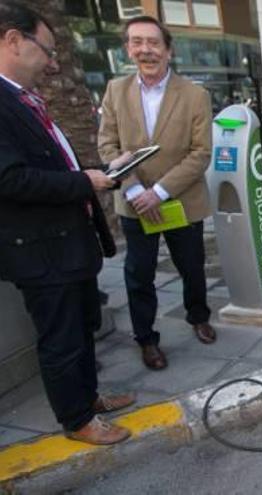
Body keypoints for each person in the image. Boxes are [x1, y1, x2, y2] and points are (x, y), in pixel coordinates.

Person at [0, 1, 134, 444]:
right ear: (13, 40)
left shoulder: (23, 98)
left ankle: (88, 397)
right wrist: (85, 182)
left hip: (66, 244)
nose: (53, 62)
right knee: (61, 337)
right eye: (46, 49)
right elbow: (12, 179)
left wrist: (98, 172)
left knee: (81, 327)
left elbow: (51, 161)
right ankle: (77, 420)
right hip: (40, 251)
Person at [98, 15, 215, 371]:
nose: (145, 50)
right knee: (139, 273)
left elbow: (201, 153)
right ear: (127, 49)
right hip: (134, 204)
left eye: (153, 42)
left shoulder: (195, 95)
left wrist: (160, 192)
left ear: (168, 49)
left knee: (192, 266)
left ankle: (198, 316)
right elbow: (107, 145)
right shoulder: (115, 91)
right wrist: (134, 189)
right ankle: (146, 339)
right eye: (137, 42)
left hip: (180, 199)